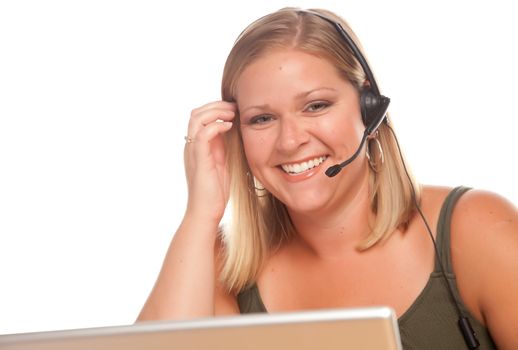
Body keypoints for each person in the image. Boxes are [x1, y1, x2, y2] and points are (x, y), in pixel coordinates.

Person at [137, 7, 518, 349]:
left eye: (316, 106)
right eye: (262, 119)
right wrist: (200, 215)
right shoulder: (224, 265)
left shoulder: (475, 228)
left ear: (370, 111)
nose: (290, 141)